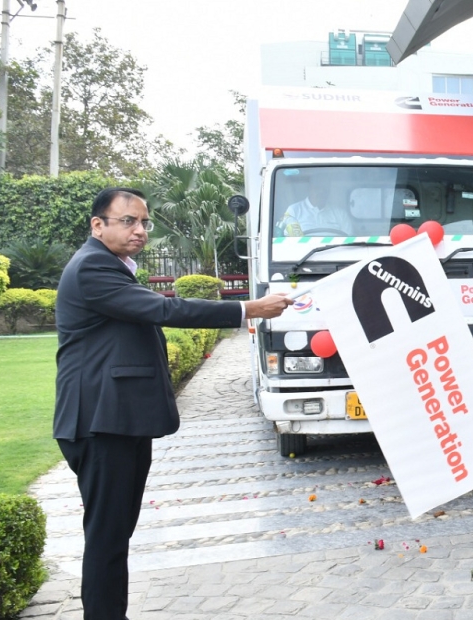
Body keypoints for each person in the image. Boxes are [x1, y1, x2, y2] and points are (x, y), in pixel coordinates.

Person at [54, 188, 293, 620]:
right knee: (108, 537)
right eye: (129, 221)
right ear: (98, 224)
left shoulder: (109, 266)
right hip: (99, 422)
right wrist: (248, 309)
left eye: (145, 222)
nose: (140, 230)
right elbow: (163, 309)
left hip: (116, 421)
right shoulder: (92, 267)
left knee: (114, 535)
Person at [278, 174, 354, 236]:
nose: (321, 192)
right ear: (309, 189)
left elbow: (348, 240)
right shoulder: (294, 210)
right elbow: (289, 239)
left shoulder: (340, 214)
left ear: (329, 191)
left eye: (325, 189)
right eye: (317, 188)